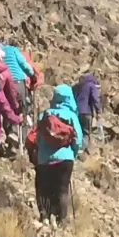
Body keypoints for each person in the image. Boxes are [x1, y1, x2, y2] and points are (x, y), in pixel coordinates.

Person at [35, 84, 83, 224]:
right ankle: (61, 219)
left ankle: (45, 216)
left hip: (44, 158)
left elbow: (38, 138)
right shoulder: (72, 116)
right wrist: (72, 153)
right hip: (65, 159)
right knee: (62, 190)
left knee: (44, 188)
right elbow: (78, 139)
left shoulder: (45, 114)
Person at [73, 71, 103, 147]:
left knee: (78, 132)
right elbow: (95, 99)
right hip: (87, 112)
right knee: (86, 134)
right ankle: (83, 152)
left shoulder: (77, 87)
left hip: (77, 113)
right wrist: (98, 112)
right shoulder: (91, 85)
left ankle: (77, 150)